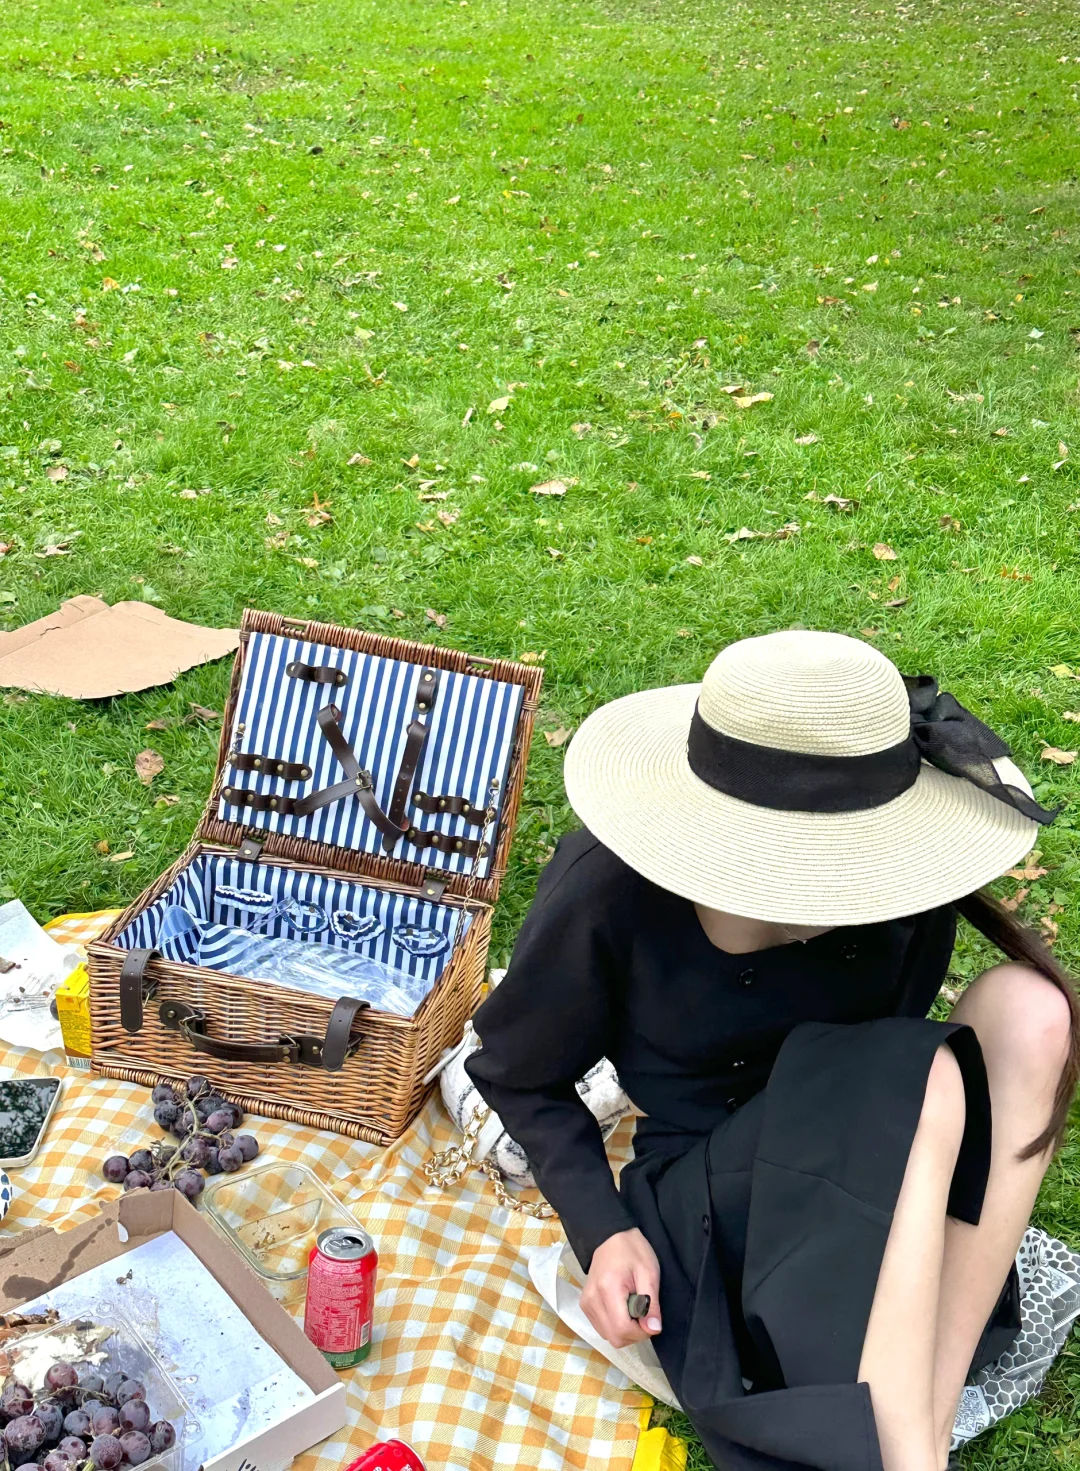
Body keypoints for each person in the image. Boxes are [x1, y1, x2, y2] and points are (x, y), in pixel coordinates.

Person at [465, 630, 1078, 1471]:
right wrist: (603, 1230)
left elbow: (876, 1066)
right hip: (719, 1210)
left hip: (863, 1187)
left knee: (1034, 1009)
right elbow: (513, 1071)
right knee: (925, 1073)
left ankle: (915, 1434)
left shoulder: (907, 878)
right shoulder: (612, 886)